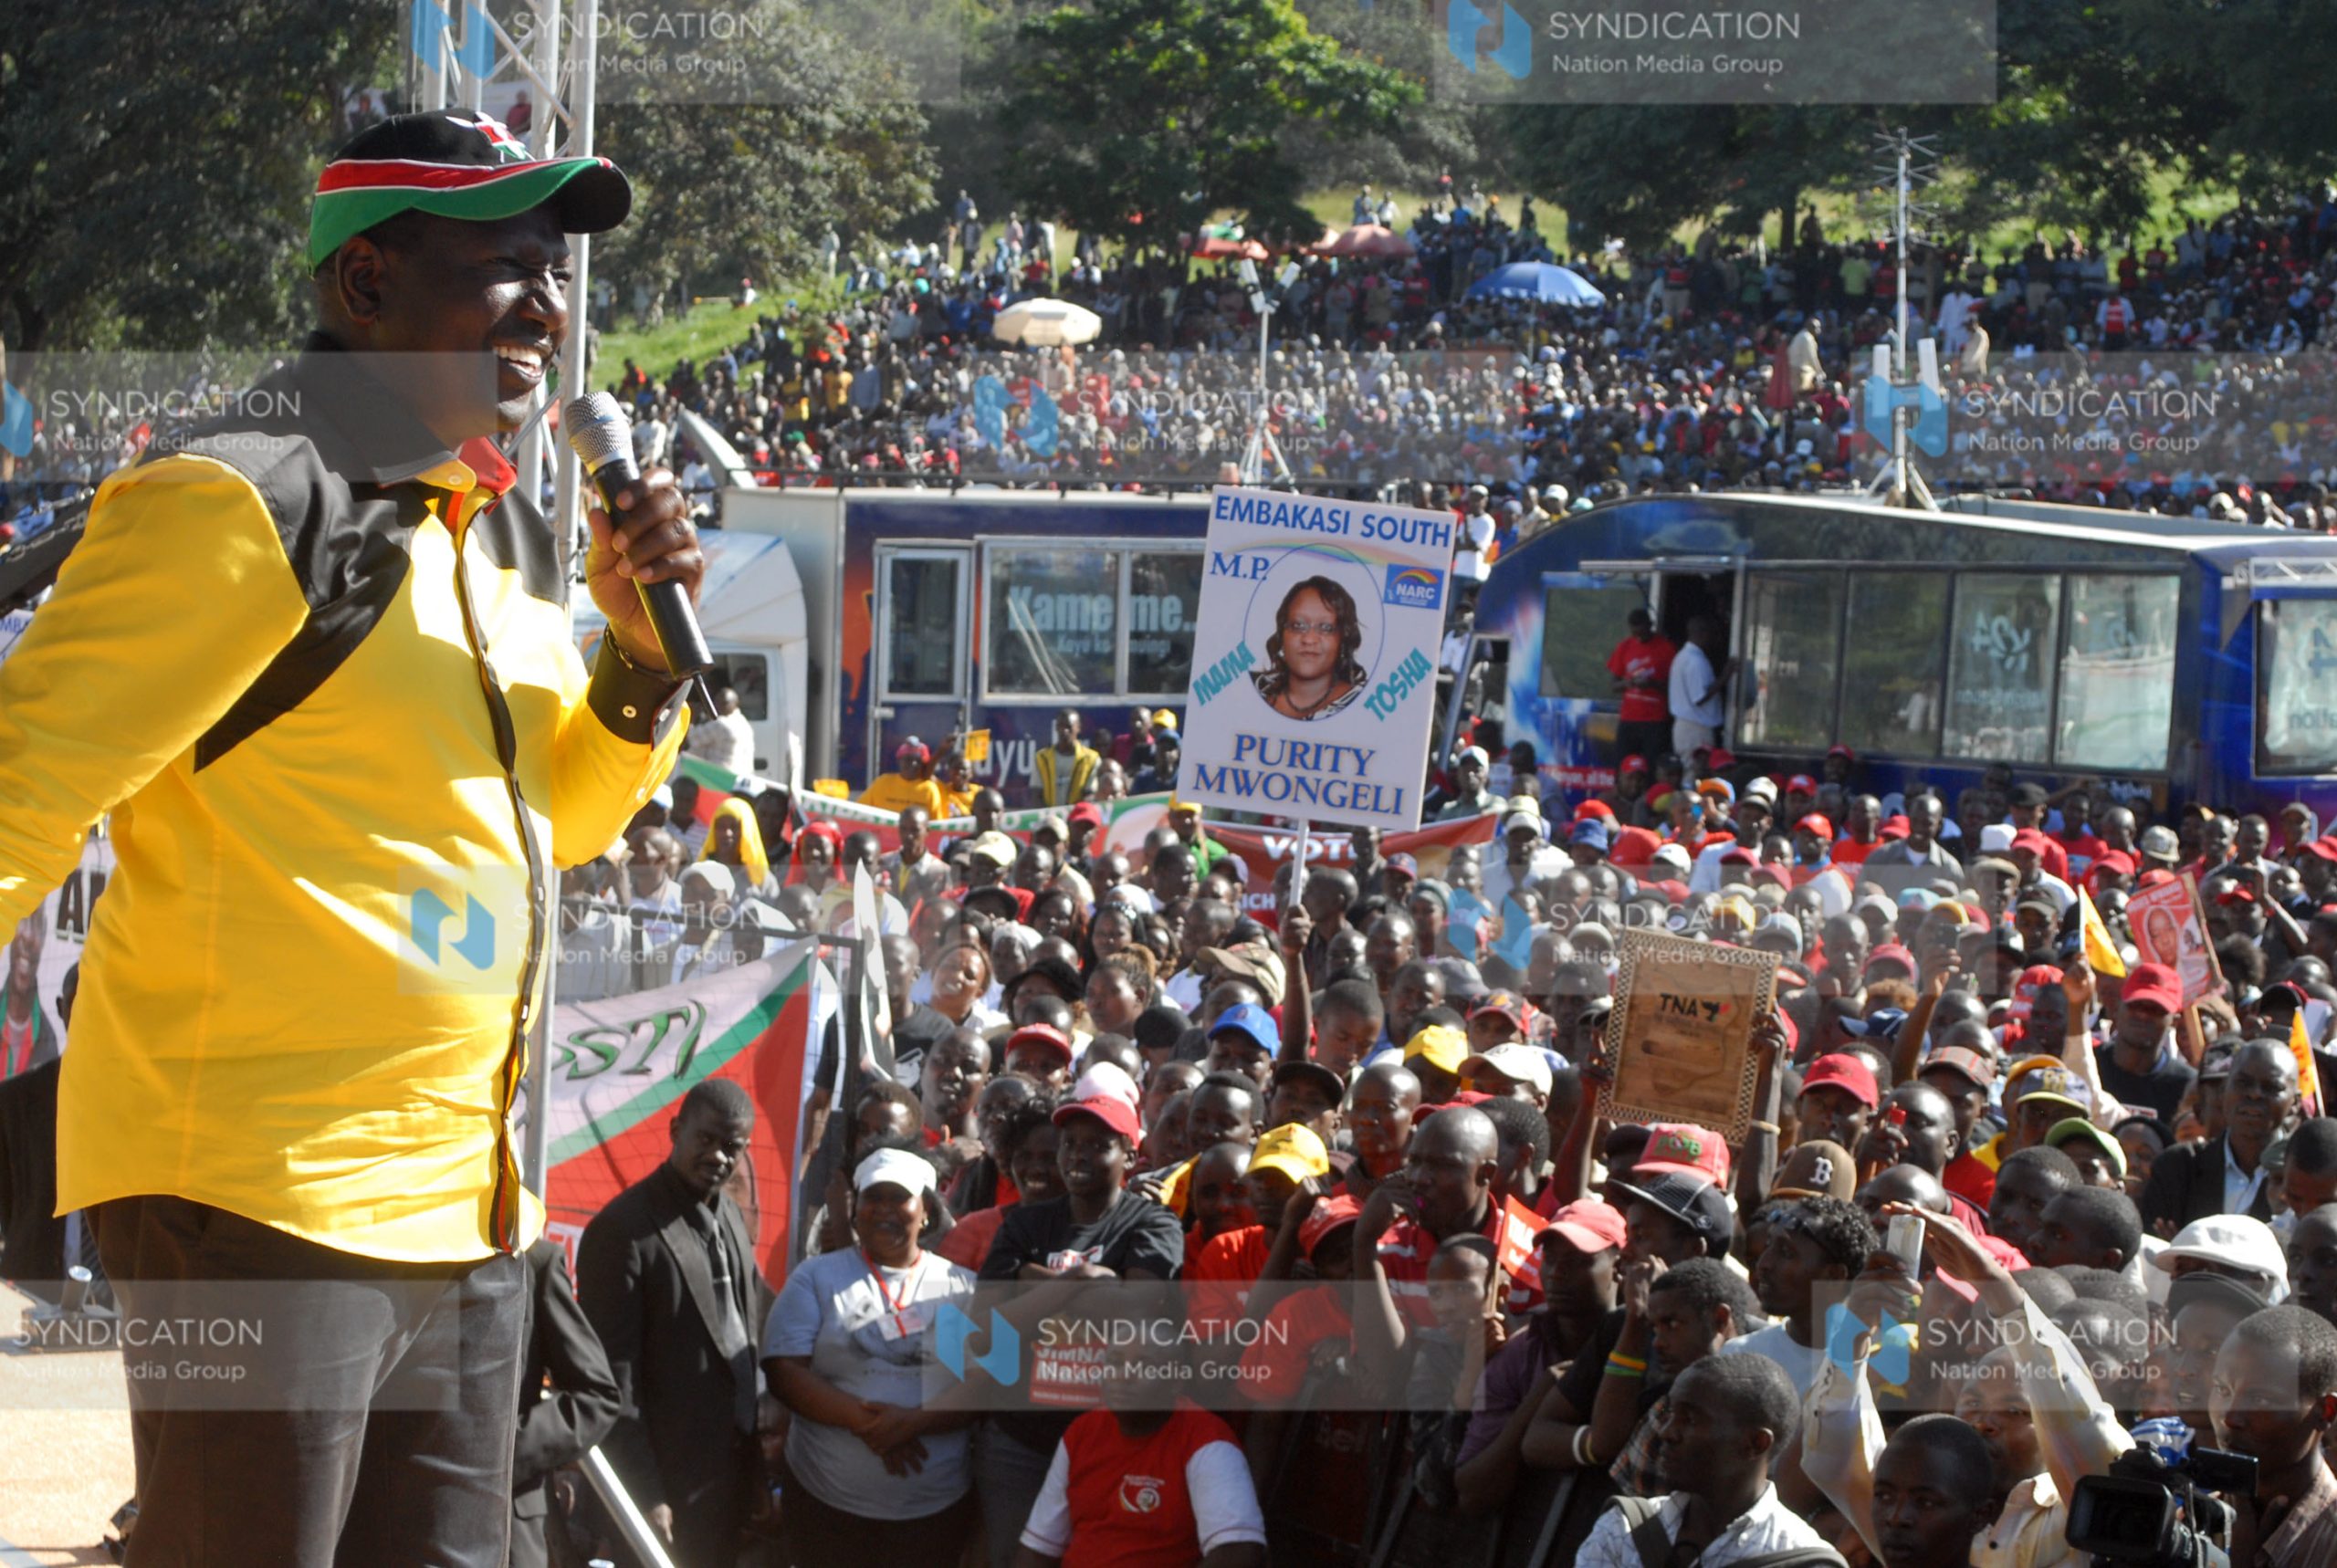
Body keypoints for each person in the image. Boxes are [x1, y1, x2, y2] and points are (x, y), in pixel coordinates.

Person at [0, 108, 694, 1564]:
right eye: (507, 268)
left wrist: (638, 661)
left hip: (466, 1211)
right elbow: (20, 788)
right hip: (250, 1203)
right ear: (366, 282)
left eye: (558, 275)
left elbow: (558, 816)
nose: (549, 309)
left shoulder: (504, 532)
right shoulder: (242, 496)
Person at [579, 1080, 768, 1568]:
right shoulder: (622, 1232)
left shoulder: (730, 1216)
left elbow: (741, 1342)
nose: (718, 1156)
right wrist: (643, 1493)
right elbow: (613, 1382)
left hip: (726, 1482)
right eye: (705, 1139)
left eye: (732, 1147)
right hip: (662, 1489)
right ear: (675, 1130)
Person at [763, 1147, 979, 1567]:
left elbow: (992, 1382)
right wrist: (872, 1425)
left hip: (931, 1516)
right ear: (855, 1211)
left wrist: (914, 1423)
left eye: (899, 1198)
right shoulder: (817, 1276)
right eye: (872, 1197)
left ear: (926, 1212)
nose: (884, 1209)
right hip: (826, 1509)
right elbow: (784, 1371)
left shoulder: (960, 1285)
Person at [1576, 1354, 1843, 1568]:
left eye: (1690, 1419)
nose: (1667, 1432)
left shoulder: (1801, 1559)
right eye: (1670, 1413)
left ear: (1755, 1444)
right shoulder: (1623, 1529)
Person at [509, 1236, 621, 1568]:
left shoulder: (534, 1260)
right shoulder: (396, 1248)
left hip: (510, 1523)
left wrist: (503, 1456)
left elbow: (597, 1397)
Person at [2139, 1036, 2294, 1233]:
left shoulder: (2304, 1175)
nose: (2254, 1094)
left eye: (2272, 1087)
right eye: (2243, 1083)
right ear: (2225, 1092)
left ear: (2295, 1102)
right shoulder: (2177, 1168)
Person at [1607, 606, 1676, 766]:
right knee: (1623, 764)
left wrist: (1652, 684)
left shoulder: (1666, 648)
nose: (1639, 637)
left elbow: (1675, 689)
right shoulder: (1625, 647)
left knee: (1652, 765)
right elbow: (1613, 685)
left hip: (1655, 719)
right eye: (1635, 634)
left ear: (1650, 625)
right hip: (1629, 718)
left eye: (1642, 633)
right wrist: (1628, 683)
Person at [1666, 613, 1730, 758]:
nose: (1715, 639)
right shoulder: (1695, 661)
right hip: (1695, 728)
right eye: (1713, 634)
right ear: (1703, 634)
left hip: (1687, 726)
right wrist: (1725, 676)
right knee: (1695, 769)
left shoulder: (1683, 656)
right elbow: (1700, 697)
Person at [862, 737, 946, 816]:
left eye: (918, 761)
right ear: (899, 761)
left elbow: (936, 823)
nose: (913, 764)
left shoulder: (929, 790)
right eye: (908, 759)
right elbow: (861, 811)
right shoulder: (883, 782)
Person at [685, 685, 757, 775]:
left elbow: (690, 738)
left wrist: (691, 716)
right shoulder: (743, 722)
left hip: (720, 777)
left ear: (735, 704)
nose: (717, 706)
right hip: (741, 776)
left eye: (723, 703)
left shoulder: (721, 724)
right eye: (716, 702)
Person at [1035, 708, 1099, 806]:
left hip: (1078, 814)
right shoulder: (1042, 758)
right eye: (1061, 726)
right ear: (1056, 728)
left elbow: (1090, 794)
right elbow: (1036, 794)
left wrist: (1074, 813)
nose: (1064, 731)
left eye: (1069, 727)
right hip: (1049, 814)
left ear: (1078, 728)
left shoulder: (1091, 759)